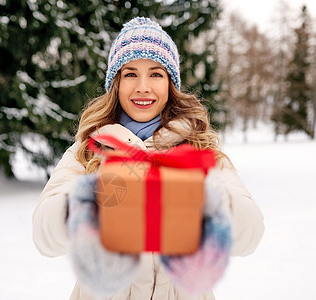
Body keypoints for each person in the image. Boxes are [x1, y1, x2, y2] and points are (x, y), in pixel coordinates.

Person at [32, 17, 264, 300]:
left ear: (170, 84)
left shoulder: (198, 148)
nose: (143, 87)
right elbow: (45, 236)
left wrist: (208, 202)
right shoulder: (90, 149)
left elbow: (250, 235)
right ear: (116, 83)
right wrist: (86, 203)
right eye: (130, 74)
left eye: (156, 74)